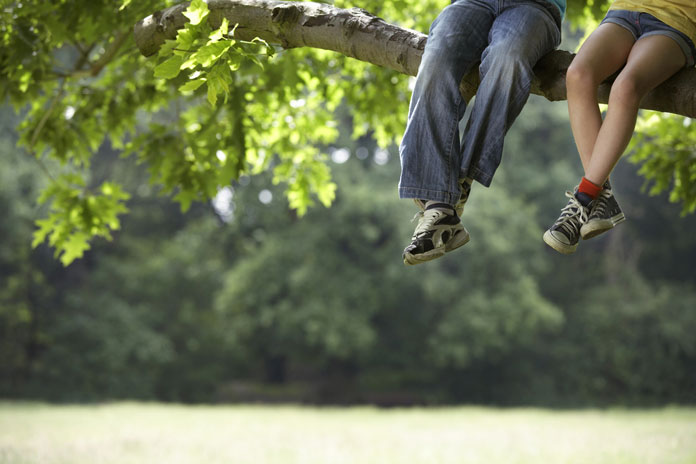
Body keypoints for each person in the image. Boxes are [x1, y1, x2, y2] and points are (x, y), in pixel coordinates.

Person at [399, 0, 566, 265]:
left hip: (535, 6)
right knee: (436, 60)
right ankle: (439, 207)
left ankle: (458, 183)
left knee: (507, 58)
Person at [543, 0, 696, 254]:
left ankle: (584, 199)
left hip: (677, 21)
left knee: (625, 88)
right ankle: (601, 196)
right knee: (577, 74)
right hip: (625, 11)